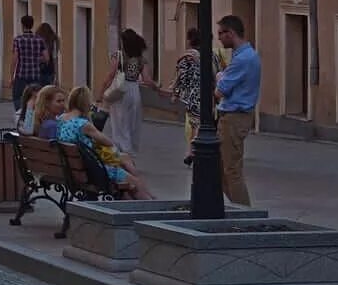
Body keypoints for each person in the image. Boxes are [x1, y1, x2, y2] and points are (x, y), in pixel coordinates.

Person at [57, 86, 152, 199]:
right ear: (85, 103)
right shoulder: (83, 124)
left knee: (126, 178)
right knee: (135, 182)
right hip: (93, 170)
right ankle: (152, 204)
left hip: (74, 168)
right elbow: (108, 142)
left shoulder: (61, 119)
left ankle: (137, 200)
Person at [155, 27, 220, 166]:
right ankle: (191, 151)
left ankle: (193, 151)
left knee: (195, 122)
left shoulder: (187, 57)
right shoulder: (212, 55)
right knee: (202, 122)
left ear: (191, 40)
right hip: (210, 95)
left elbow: (181, 77)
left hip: (193, 94)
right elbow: (218, 74)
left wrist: (175, 94)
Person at [215, 14, 260, 206]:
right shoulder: (245, 55)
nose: (218, 38)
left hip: (234, 117)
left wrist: (219, 77)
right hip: (232, 116)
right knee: (220, 171)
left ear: (230, 33)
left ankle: (245, 213)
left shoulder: (242, 59)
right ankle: (237, 209)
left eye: (220, 34)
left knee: (231, 170)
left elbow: (220, 90)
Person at [102, 28, 152, 157]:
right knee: (132, 123)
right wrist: (158, 89)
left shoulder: (118, 55)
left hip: (120, 90)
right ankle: (130, 151)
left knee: (119, 123)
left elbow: (111, 75)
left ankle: (123, 152)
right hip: (134, 90)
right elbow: (147, 80)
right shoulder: (141, 59)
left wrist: (102, 91)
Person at [11, 15, 46, 110]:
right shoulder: (39, 40)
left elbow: (15, 59)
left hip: (21, 75)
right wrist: (35, 59)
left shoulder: (18, 40)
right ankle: (32, 117)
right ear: (32, 25)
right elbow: (46, 58)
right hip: (35, 75)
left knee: (18, 98)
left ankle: (20, 116)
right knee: (35, 98)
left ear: (22, 25)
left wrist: (12, 76)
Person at [37, 22, 59, 86]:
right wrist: (56, 76)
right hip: (50, 70)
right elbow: (55, 59)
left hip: (39, 71)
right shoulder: (54, 40)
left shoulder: (37, 41)